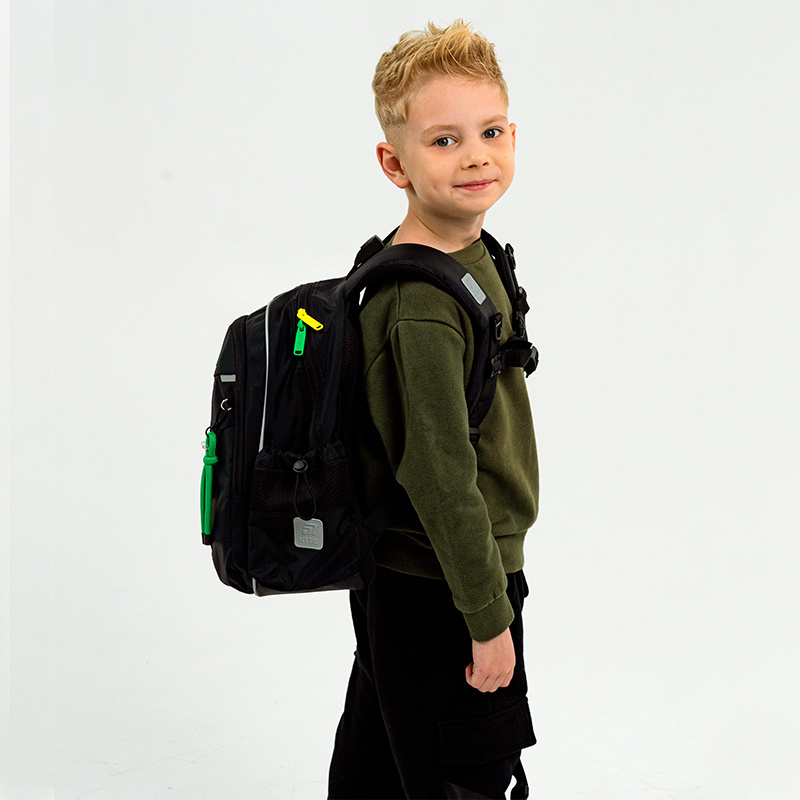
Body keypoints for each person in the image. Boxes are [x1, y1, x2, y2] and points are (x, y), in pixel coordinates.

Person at [328, 20, 539, 800]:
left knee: (380, 767)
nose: (476, 155)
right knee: (466, 775)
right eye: (445, 141)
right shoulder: (420, 304)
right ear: (395, 163)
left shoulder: (470, 256)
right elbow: (441, 477)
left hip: (414, 577)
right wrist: (487, 617)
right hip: (442, 584)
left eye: (490, 132)